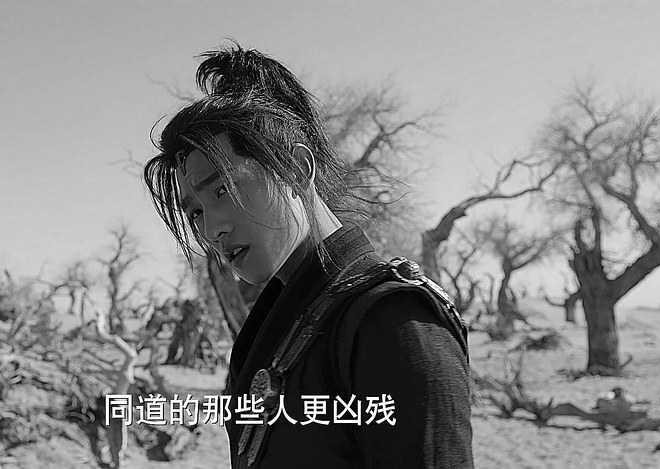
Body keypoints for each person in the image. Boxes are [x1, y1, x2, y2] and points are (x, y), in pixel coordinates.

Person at [143, 45, 473, 469]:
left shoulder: (395, 324)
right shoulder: (273, 328)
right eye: (196, 212)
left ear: (297, 169)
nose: (211, 229)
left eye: (223, 189)